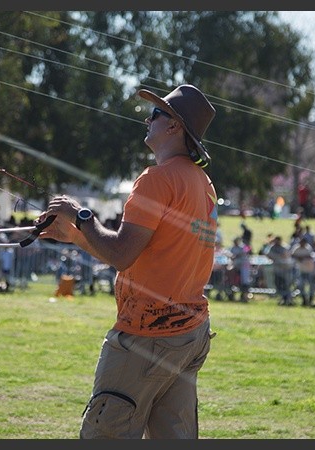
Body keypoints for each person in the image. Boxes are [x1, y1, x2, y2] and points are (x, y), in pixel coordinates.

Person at [37, 84, 217, 439]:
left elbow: (122, 254)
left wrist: (81, 216)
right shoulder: (203, 183)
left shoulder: (156, 180)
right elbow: (141, 254)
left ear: (174, 127)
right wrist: (77, 236)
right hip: (189, 334)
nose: (147, 118)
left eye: (157, 113)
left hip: (147, 338)